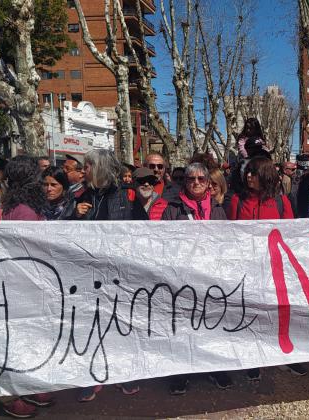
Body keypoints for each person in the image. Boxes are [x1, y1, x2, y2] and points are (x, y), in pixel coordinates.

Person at [74, 150, 146, 403]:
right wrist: (75, 215)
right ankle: (92, 375)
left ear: (100, 168)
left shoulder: (127, 196)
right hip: (90, 273)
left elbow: (146, 230)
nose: (84, 171)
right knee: (91, 324)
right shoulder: (82, 196)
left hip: (120, 273)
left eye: (88, 166)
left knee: (121, 322)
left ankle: (125, 373)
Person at [227, 157, 306, 380]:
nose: (249, 176)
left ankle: (285, 355)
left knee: (280, 310)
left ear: (266, 175)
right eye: (247, 173)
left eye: (254, 172)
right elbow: (229, 235)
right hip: (248, 269)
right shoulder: (237, 201)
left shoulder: (282, 202)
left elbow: (290, 236)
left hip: (275, 268)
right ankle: (254, 358)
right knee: (252, 311)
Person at [160, 163, 233, 394]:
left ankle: (214, 367)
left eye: (201, 178)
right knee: (183, 324)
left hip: (211, 275)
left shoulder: (218, 209)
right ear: (185, 182)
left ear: (209, 183)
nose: (196, 182)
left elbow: (226, 243)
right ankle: (182, 372)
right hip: (182, 277)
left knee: (212, 321)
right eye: (191, 179)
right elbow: (162, 243)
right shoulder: (172, 209)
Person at [0, 157, 54, 417]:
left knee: (27, 336)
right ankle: (9, 395)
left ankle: (25, 386)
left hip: (27, 281)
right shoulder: (24, 210)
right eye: (37, 177)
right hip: (22, 281)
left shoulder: (19, 205)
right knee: (18, 337)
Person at [74, 150, 146, 222]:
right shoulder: (85, 194)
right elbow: (68, 227)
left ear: (99, 168)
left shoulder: (127, 194)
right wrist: (76, 215)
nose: (82, 171)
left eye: (86, 167)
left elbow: (145, 226)